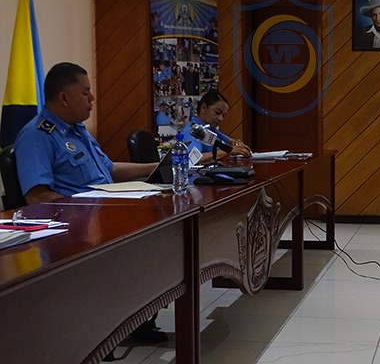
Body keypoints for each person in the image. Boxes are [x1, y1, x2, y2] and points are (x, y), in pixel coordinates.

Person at [13, 62, 167, 343]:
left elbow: (110, 169)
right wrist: (89, 211)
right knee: (143, 246)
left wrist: (156, 167)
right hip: (76, 232)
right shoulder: (37, 135)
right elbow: (37, 198)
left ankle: (135, 317)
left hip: (105, 217)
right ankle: (114, 325)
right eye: (86, 93)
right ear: (64, 97)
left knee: (157, 236)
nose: (92, 99)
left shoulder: (78, 131)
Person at [184, 90, 252, 163]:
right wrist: (228, 151)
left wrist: (236, 145)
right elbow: (191, 158)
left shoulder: (210, 129)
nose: (221, 119)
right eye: (217, 112)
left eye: (223, 115)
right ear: (203, 108)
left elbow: (230, 141)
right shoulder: (193, 131)